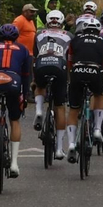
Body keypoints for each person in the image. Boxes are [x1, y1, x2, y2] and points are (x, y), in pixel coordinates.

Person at [0, 23, 32, 179]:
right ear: (16, 37)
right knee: (14, 120)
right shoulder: (23, 50)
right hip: (14, 80)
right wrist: (24, 96)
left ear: (0, 36)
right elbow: (26, 76)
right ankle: (15, 163)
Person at [65, 20, 103, 164]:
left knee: (73, 109)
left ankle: (72, 143)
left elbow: (69, 62)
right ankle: (97, 128)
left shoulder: (75, 40)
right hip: (95, 70)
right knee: (99, 95)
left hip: (78, 70)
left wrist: (70, 79)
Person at [33, 9, 71, 159]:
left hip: (41, 63)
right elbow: (70, 59)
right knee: (60, 106)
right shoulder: (69, 35)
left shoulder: (38, 34)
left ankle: (39, 111)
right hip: (59, 65)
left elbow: (35, 56)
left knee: (40, 86)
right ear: (61, 22)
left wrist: (33, 79)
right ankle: (59, 149)